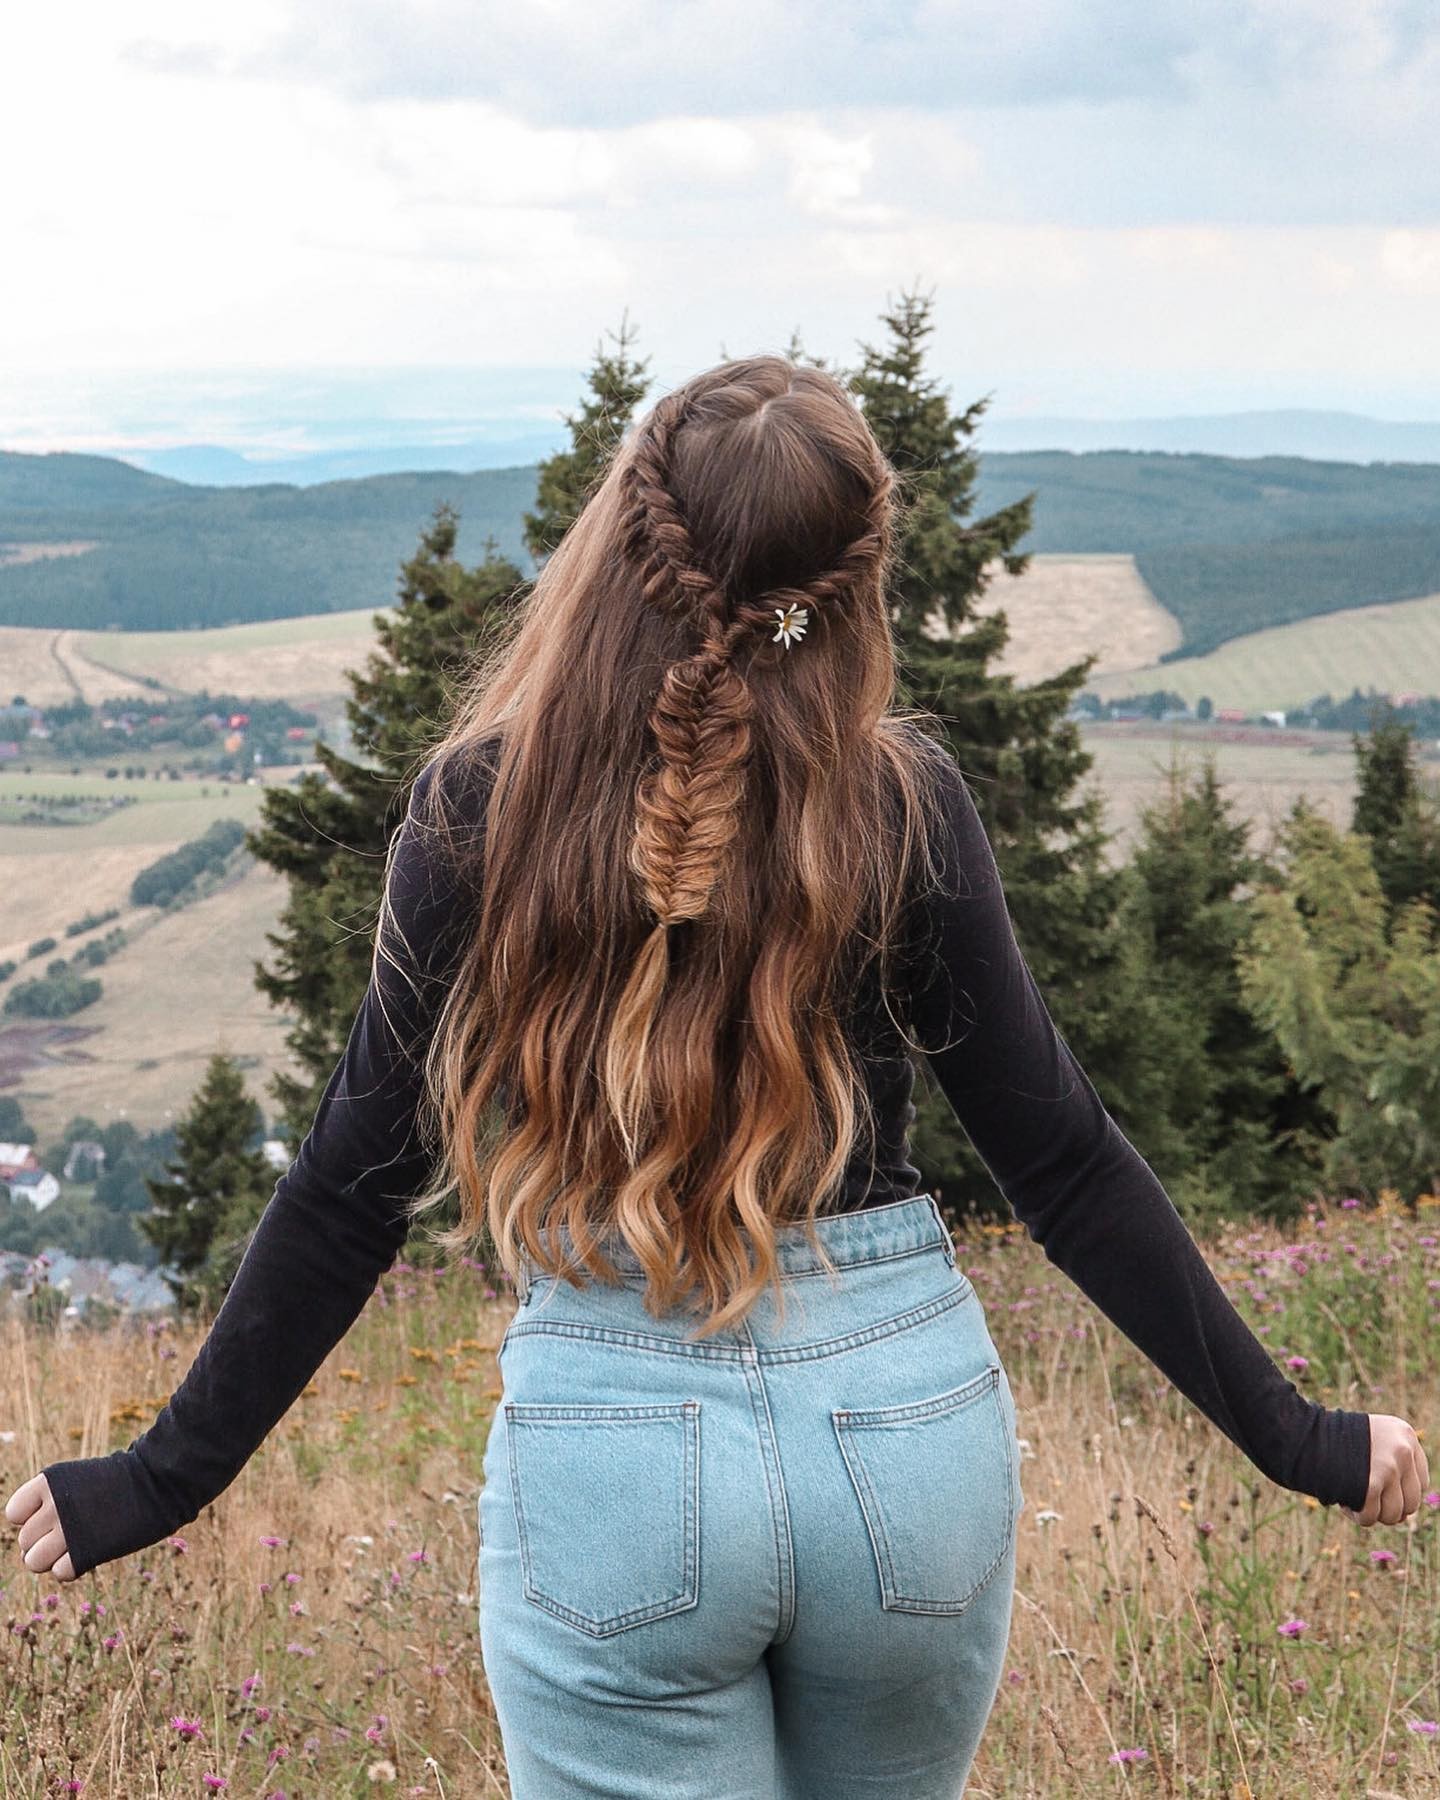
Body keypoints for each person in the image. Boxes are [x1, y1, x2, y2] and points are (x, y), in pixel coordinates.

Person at [6, 356, 1428, 1798]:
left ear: (624, 544)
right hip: (907, 1447)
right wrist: (1296, 1436)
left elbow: (347, 1195)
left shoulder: (478, 811)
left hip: (615, 1461)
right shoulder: (903, 806)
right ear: (855, 587)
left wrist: (158, 1478)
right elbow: (1061, 1159)